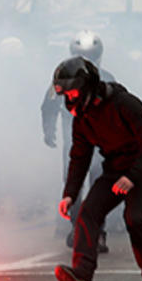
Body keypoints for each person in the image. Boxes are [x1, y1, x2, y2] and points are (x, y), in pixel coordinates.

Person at [51, 56, 142, 281]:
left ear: (86, 85)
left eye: (71, 93)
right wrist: (70, 194)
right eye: (65, 96)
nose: (69, 100)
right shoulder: (81, 119)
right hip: (114, 170)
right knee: (88, 212)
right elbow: (79, 157)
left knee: (134, 218)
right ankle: (82, 273)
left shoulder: (126, 104)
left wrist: (133, 177)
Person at [41, 30, 115, 250]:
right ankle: (77, 228)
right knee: (73, 186)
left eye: (91, 55)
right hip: (74, 143)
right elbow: (49, 105)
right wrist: (49, 130)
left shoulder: (108, 78)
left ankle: (98, 232)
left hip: (100, 144)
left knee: (98, 186)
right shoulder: (64, 76)